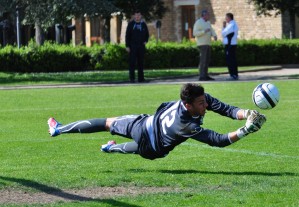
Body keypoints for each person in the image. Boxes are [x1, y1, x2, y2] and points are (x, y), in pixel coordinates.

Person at [47, 83, 266, 160]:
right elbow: (217, 140)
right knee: (132, 143)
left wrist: (247, 113)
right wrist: (246, 130)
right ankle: (106, 148)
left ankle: (59, 129)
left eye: (204, 101)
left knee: (107, 123)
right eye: (201, 104)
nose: (205, 105)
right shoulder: (185, 125)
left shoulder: (198, 99)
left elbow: (226, 109)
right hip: (153, 147)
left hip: (146, 127)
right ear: (188, 106)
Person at [193, 10, 217, 81]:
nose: (209, 16)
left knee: (207, 60)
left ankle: (206, 75)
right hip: (202, 44)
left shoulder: (208, 22)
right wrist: (204, 31)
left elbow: (212, 30)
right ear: (204, 15)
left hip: (208, 43)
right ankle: (201, 76)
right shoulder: (198, 22)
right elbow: (195, 33)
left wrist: (214, 35)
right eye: (208, 15)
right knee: (203, 61)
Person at [125, 10, 149, 83]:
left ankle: (141, 78)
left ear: (141, 16)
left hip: (141, 46)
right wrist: (127, 46)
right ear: (134, 16)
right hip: (132, 46)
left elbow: (147, 34)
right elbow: (127, 36)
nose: (137, 17)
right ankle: (132, 78)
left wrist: (145, 41)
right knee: (132, 63)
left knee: (140, 63)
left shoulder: (143, 24)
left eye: (139, 15)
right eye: (136, 15)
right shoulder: (131, 24)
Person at [222, 13, 239, 80]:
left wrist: (223, 28)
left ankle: (233, 74)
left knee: (230, 60)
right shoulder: (232, 24)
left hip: (230, 45)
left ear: (229, 17)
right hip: (232, 44)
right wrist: (224, 27)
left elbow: (223, 33)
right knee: (232, 60)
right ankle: (234, 74)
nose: (225, 19)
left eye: (226, 17)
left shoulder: (231, 25)